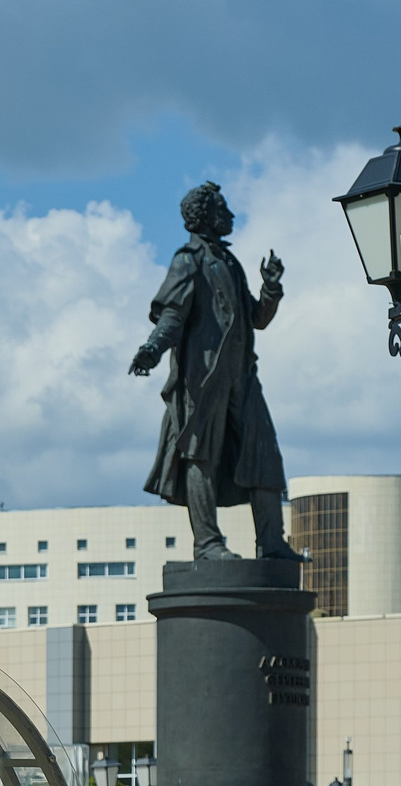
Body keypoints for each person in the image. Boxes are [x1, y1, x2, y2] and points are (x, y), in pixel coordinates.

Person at [130, 181, 300, 563]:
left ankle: (271, 543)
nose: (231, 215)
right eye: (224, 208)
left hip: (242, 377)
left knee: (264, 453)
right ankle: (207, 543)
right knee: (200, 455)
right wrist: (152, 349)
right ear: (206, 215)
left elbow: (256, 318)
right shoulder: (188, 260)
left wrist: (270, 289)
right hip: (203, 381)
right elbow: (173, 315)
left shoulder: (229, 262)